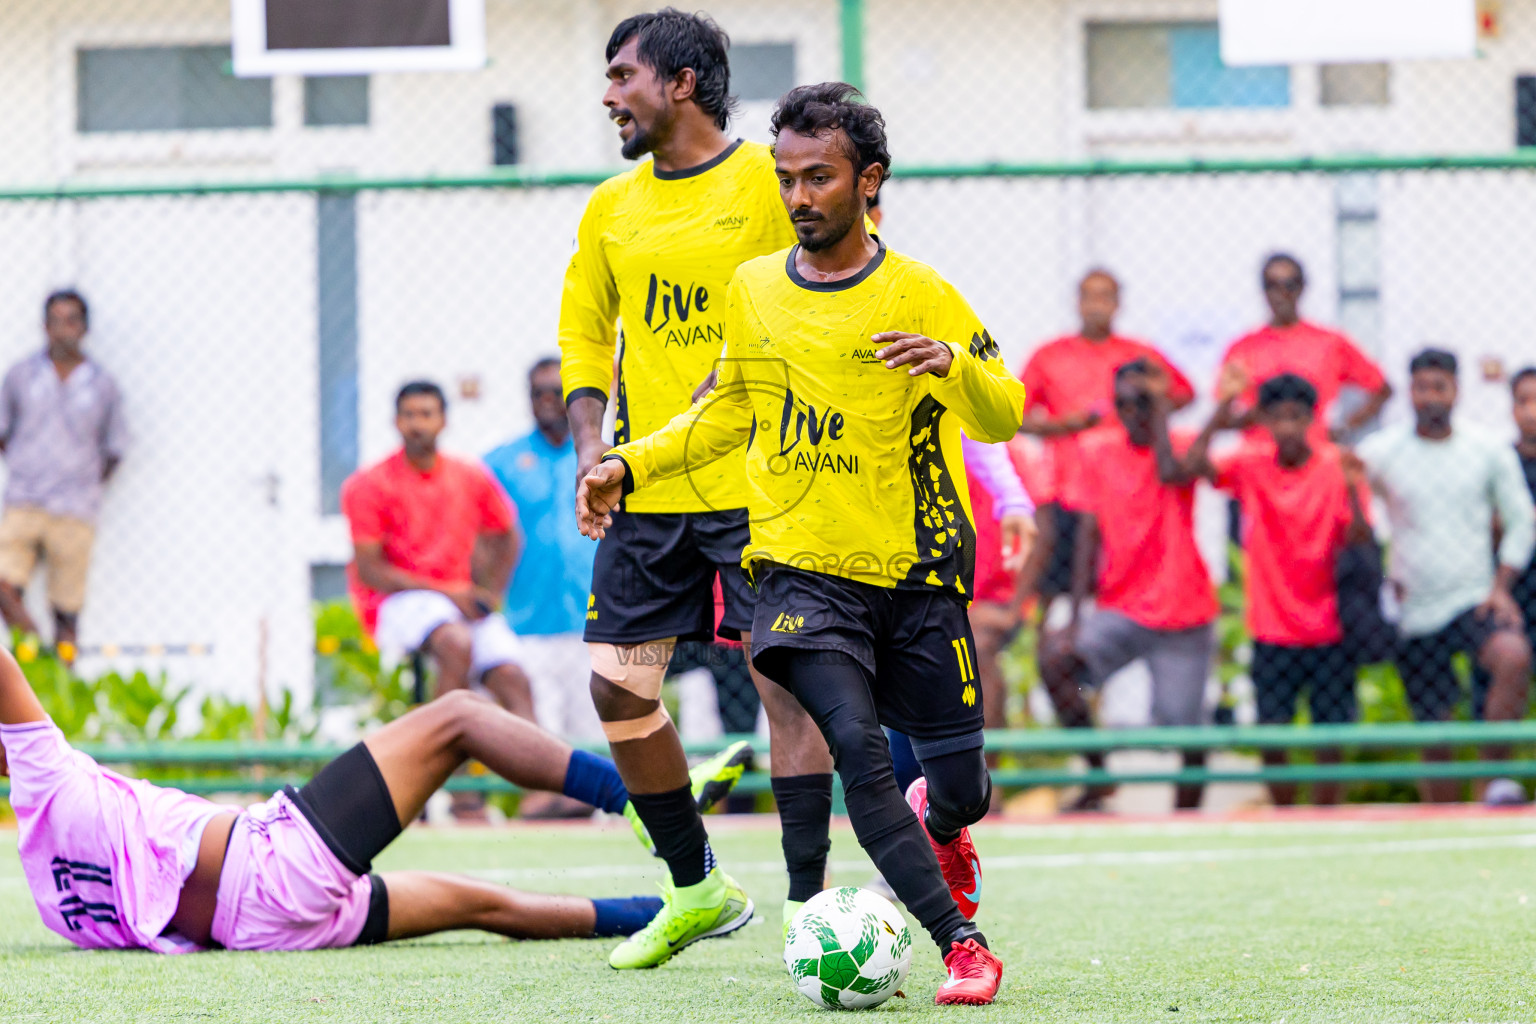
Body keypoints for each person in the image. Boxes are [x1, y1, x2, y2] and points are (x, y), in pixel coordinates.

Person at [580, 82, 1016, 1005]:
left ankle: (944, 818)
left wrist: (953, 366)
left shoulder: (920, 291)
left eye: (820, 178)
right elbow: (722, 415)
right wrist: (630, 463)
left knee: (963, 785)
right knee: (855, 748)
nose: (799, 197)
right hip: (799, 573)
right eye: (787, 178)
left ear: (870, 182)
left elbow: (1006, 412)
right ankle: (962, 946)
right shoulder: (756, 289)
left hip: (917, 571)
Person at [557, 9, 832, 968]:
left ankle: (810, 911)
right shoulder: (611, 207)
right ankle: (697, 887)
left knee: (783, 691)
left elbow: (834, 278)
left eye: (622, 75)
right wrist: (598, 450)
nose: (607, 94)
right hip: (650, 483)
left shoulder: (769, 180)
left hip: (764, 482)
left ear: (679, 82)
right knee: (618, 690)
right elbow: (588, 339)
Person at [0, 645, 755, 953]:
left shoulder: (46, 893)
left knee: (481, 905)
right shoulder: (44, 777)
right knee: (459, 715)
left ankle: (674, 916)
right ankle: (641, 804)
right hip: (269, 865)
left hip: (260, 931)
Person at [1350, 349, 1534, 803]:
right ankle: (1445, 817)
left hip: (1475, 598)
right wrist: (1381, 565)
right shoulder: (1381, 452)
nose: (1430, 397)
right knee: (1436, 732)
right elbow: (1357, 508)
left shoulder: (1485, 449)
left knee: (1511, 656)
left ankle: (1491, 784)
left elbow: (1522, 519)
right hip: (1415, 610)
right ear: (1409, 392)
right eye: (1421, 388)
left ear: (1456, 391)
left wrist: (1501, 587)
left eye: (1440, 387)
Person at [1182, 371, 1373, 806]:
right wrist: (1221, 410)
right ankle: (1287, 814)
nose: (1287, 427)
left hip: (1329, 627)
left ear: (1312, 418)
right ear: (1264, 420)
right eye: (1278, 417)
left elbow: (1361, 538)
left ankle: (1327, 817)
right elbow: (1193, 465)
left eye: (1297, 417)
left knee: (1330, 738)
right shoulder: (1251, 462)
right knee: (1272, 737)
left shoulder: (1335, 463)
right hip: (1272, 627)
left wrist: (1353, 490)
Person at [1040, 359, 1217, 812]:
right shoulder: (1098, 449)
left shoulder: (1178, 445)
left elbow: (1173, 472)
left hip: (1184, 613)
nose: (1131, 411)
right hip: (1123, 608)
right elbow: (1086, 535)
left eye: (1141, 401)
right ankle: (1100, 775)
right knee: (1058, 664)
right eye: (1122, 402)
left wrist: (1159, 414)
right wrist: (1076, 620)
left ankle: (1186, 818)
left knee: (1186, 729)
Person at [342, 381, 531, 723]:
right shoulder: (369, 484)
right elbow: (371, 572)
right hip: (395, 601)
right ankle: (437, 760)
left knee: (514, 679)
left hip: (458, 601)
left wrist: (489, 594)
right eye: (408, 415)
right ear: (396, 422)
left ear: (443, 421)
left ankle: (538, 776)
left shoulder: (469, 476)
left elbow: (508, 536)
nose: (417, 424)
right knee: (456, 644)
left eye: (426, 414)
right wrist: (452, 594)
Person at [1016, 271, 1194, 610]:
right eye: (1090, 296)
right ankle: (1048, 657)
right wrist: (1061, 426)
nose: (1097, 305)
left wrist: (1147, 412)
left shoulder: (1138, 354)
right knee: (1052, 593)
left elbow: (1184, 394)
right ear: (1078, 302)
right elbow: (1014, 418)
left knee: (1119, 585)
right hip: (1068, 491)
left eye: (1106, 297)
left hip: (1126, 491)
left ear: (1118, 303)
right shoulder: (1050, 355)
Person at [0, 290, 127, 661]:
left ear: (84, 328)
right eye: (55, 321)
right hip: (25, 499)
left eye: (71, 320)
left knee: (67, 611)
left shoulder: (102, 385)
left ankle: (61, 692)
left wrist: (83, 479)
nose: (62, 330)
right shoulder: (21, 376)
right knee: (6, 585)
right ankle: (38, 657)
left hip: (76, 506)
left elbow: (114, 449)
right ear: (43, 326)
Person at [484, 358, 602, 749]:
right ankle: (550, 809)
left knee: (595, 735)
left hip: (592, 623)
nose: (548, 401)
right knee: (542, 742)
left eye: (558, 392)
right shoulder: (499, 464)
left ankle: (601, 812)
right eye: (539, 393)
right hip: (526, 626)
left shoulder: (602, 459)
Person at [1218, 253, 1391, 445]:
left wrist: (1344, 429)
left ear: (1302, 288)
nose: (1280, 294)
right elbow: (1223, 417)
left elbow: (1382, 389)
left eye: (1288, 285)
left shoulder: (1330, 342)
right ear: (1263, 290)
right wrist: (1257, 415)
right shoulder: (1242, 347)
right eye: (1272, 285)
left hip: (1314, 457)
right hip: (1259, 461)